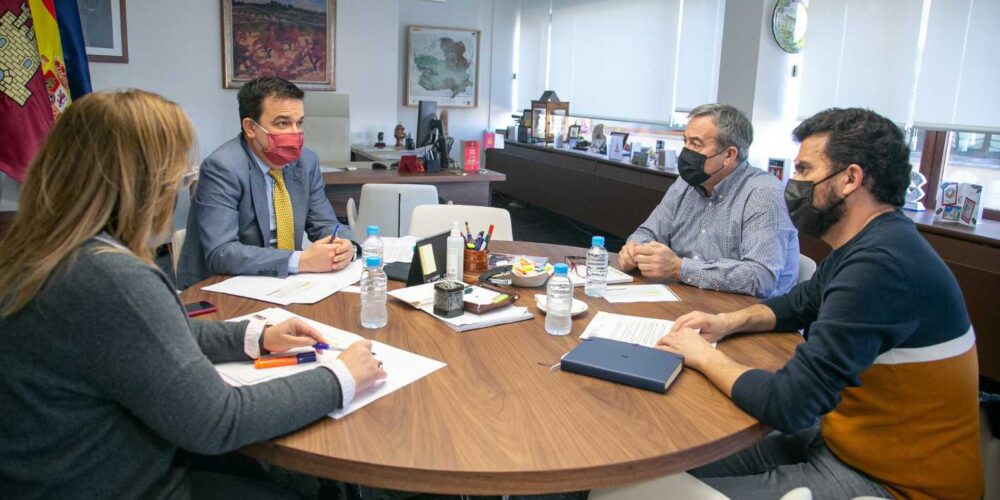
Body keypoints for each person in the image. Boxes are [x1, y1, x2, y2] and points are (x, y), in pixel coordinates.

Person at [0, 90, 386, 498]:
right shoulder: (111, 278)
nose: (179, 188)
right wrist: (340, 377)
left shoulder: (48, 252)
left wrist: (252, 337)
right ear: (141, 183)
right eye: (178, 174)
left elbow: (150, 336)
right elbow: (219, 421)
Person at [657, 108, 983, 499]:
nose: (793, 184)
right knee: (669, 465)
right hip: (839, 442)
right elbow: (795, 305)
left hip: (893, 484)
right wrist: (725, 322)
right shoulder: (874, 243)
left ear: (850, 179)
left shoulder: (881, 268)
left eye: (804, 171)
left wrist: (702, 355)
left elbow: (788, 404)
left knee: (660, 491)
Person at [178, 76, 357, 289]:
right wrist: (301, 261)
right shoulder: (223, 167)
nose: (295, 133)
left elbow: (325, 223)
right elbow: (221, 252)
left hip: (287, 283)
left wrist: (347, 245)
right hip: (224, 286)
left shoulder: (306, 162)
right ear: (250, 128)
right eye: (282, 123)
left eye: (299, 123)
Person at [618, 104, 798, 298]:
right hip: (687, 297)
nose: (685, 151)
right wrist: (635, 250)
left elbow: (762, 277)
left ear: (729, 155)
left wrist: (680, 269)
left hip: (744, 313)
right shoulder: (685, 183)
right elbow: (648, 232)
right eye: (685, 141)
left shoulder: (763, 193)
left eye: (696, 144)